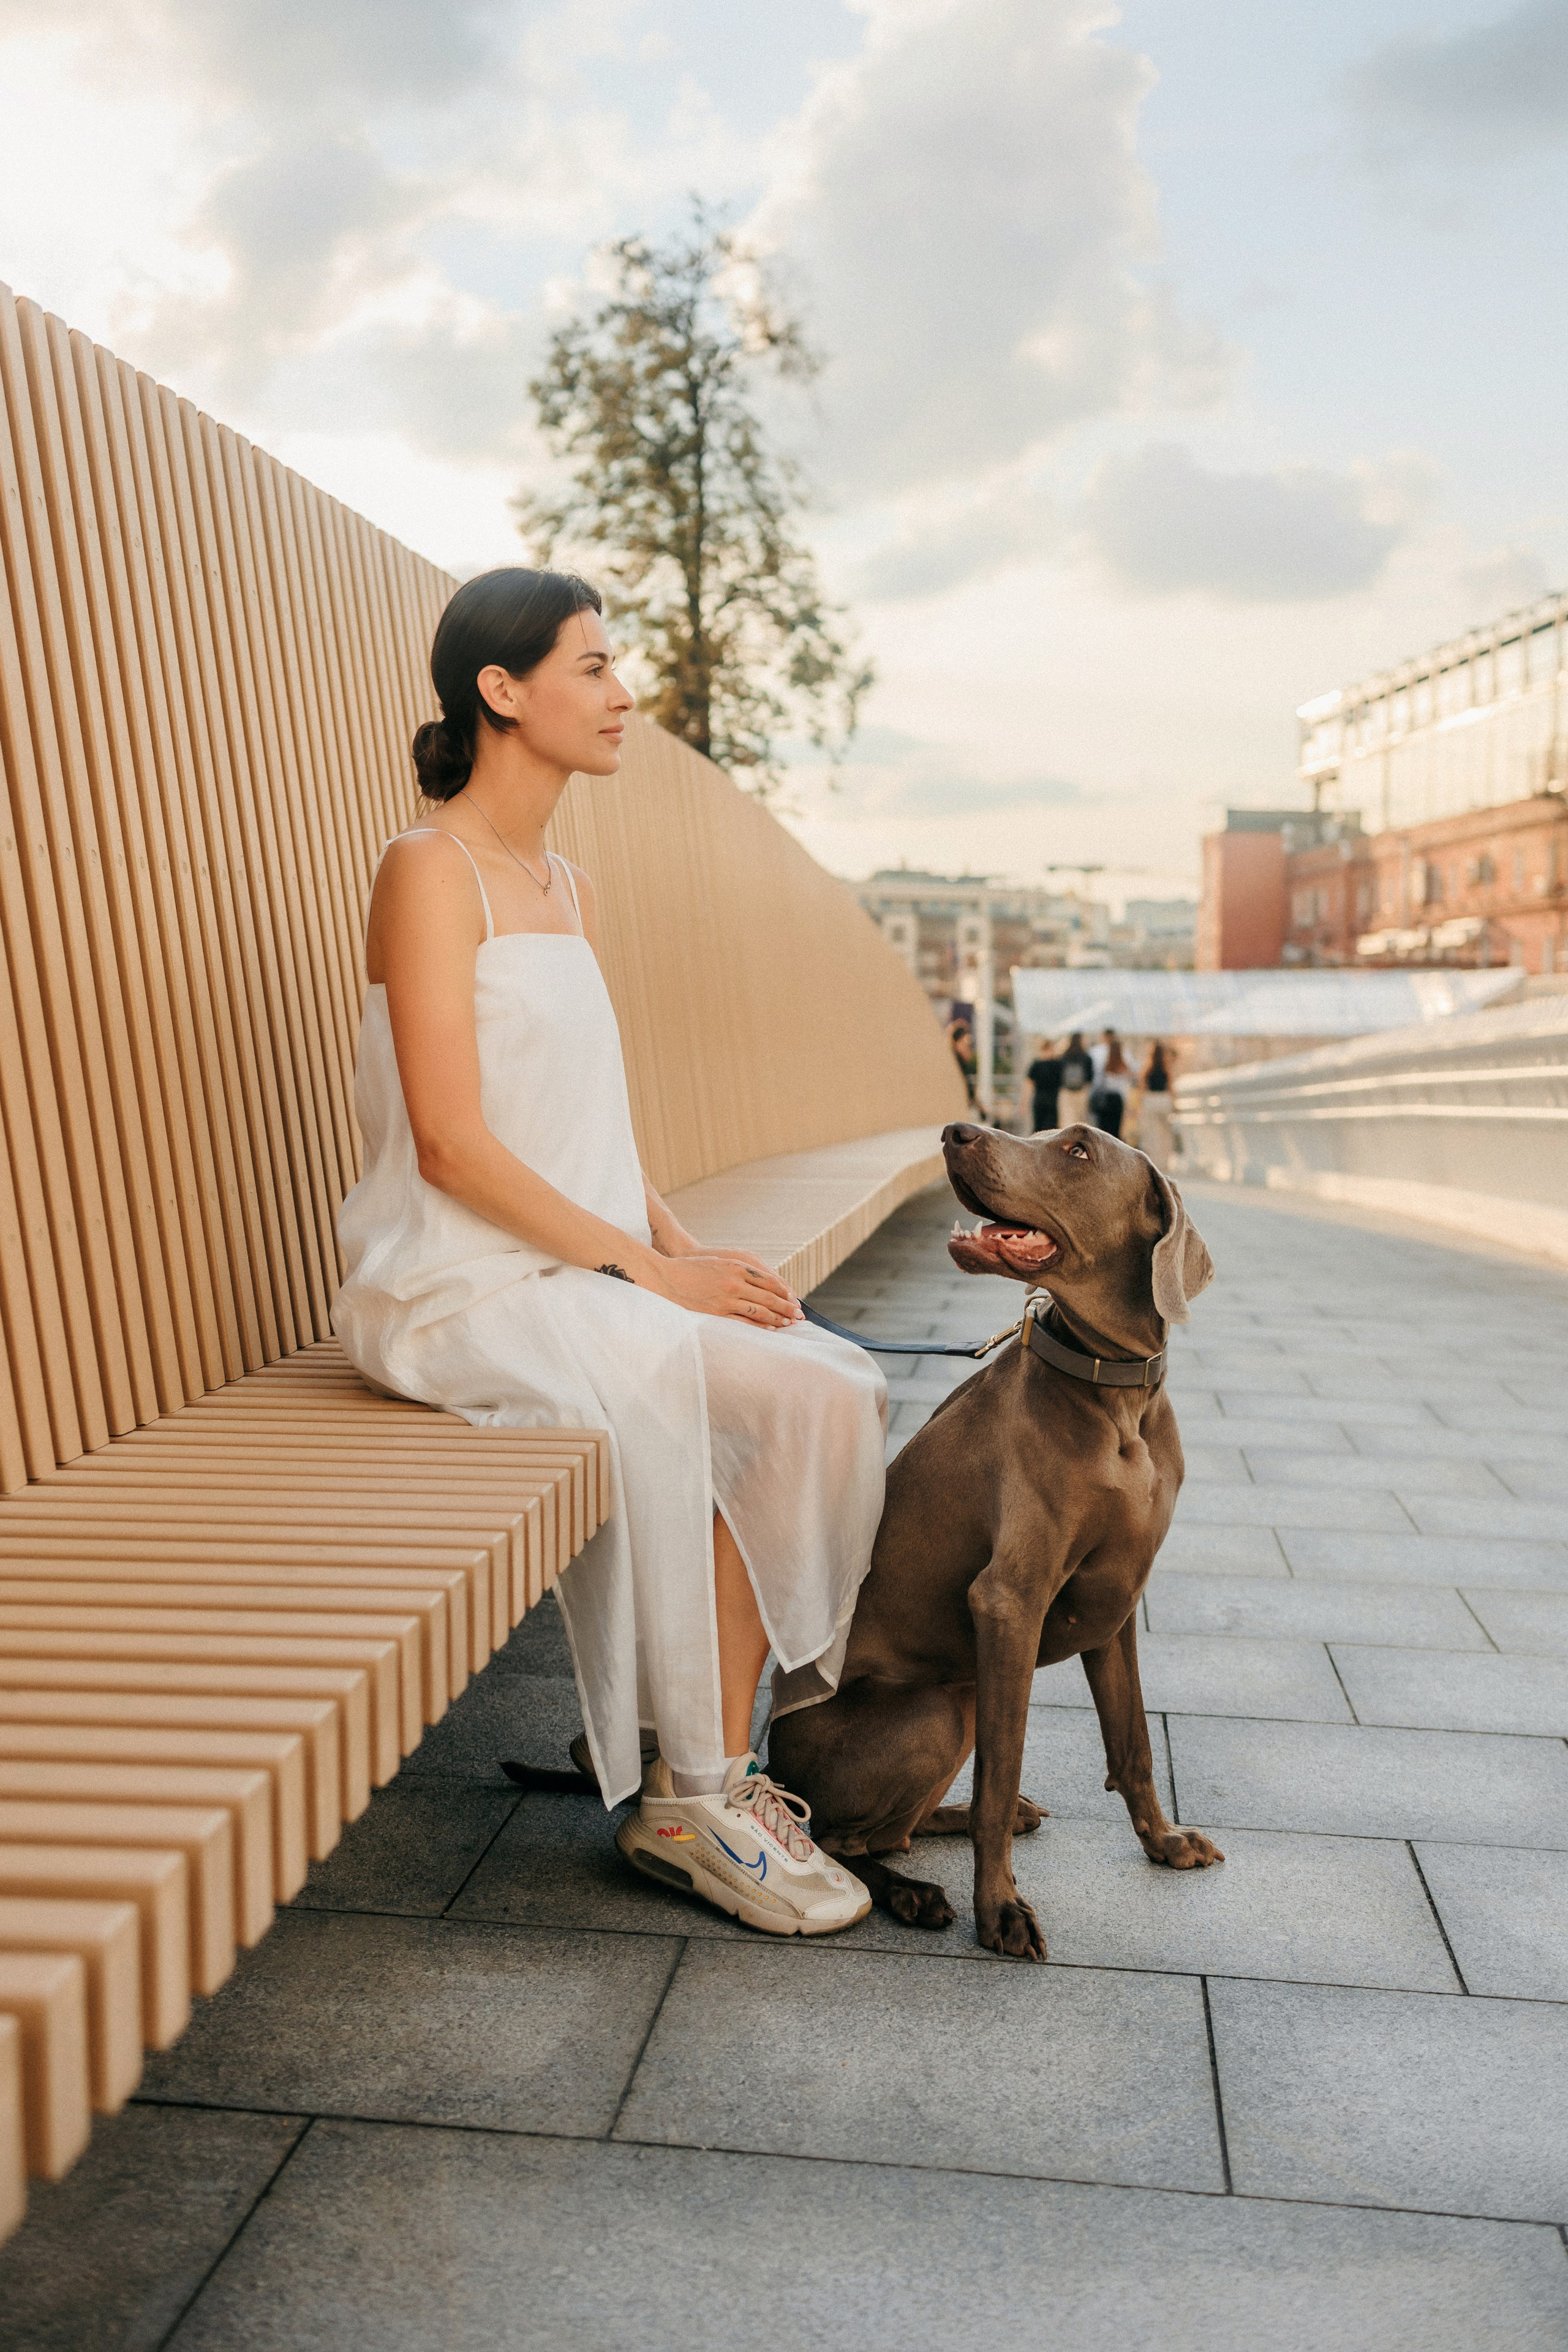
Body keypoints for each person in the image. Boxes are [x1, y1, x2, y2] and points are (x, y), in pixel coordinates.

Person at [333, 567, 885, 1937]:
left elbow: (586, 1125)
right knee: (786, 1397)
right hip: (458, 1286)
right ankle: (693, 1792)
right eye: (589, 665)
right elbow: (454, 1147)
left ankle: (701, 1757)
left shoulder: (563, 881)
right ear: (500, 692)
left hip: (575, 1267)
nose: (621, 692)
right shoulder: (428, 871)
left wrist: (692, 1250)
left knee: (820, 1374)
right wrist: (647, 1278)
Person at [1139, 1039, 1175, 1169]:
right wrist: (1175, 1105)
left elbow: (1143, 1088)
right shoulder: (1166, 1068)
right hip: (1164, 1100)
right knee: (1166, 1133)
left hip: (1151, 1100)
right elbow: (1171, 1088)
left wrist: (1141, 1105)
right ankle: (1165, 1161)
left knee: (1152, 1133)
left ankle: (1154, 1161)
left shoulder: (1147, 1069)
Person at [1089, 1033, 1132, 1137]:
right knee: (1116, 1131)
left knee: (1104, 1131)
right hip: (1118, 1099)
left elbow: (1097, 1083)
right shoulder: (1124, 1066)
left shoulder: (1104, 1065)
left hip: (1105, 1099)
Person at [1025, 1038, 1064, 1133]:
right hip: (1053, 1100)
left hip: (1039, 1099)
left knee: (1038, 1128)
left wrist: (1024, 1103)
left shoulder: (1037, 1064)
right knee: (1052, 1129)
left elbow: (1029, 1084)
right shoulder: (1058, 1064)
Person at [1057, 1030, 1093, 1126]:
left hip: (1066, 1092)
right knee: (1081, 1122)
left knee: (1067, 1121)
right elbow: (1090, 1078)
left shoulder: (1064, 1056)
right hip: (1082, 1092)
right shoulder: (1087, 1057)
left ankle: (1068, 1141)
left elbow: (1059, 1075)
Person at [945, 1016, 978, 1106]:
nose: (969, 1050)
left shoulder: (961, 1065)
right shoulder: (956, 1064)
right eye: (966, 1045)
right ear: (957, 1043)